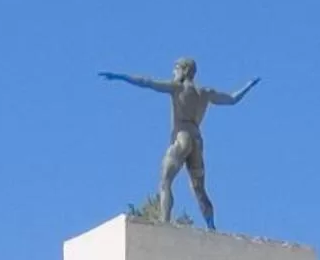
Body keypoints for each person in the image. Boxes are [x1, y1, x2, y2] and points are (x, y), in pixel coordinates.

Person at [100, 58, 259, 226]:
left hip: (182, 137)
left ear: (184, 70)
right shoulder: (205, 92)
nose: (173, 73)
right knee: (199, 190)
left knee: (165, 181)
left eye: (175, 69)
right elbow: (233, 99)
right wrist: (249, 85)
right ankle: (211, 226)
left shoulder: (177, 88)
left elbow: (146, 82)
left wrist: (120, 77)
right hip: (197, 140)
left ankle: (165, 221)